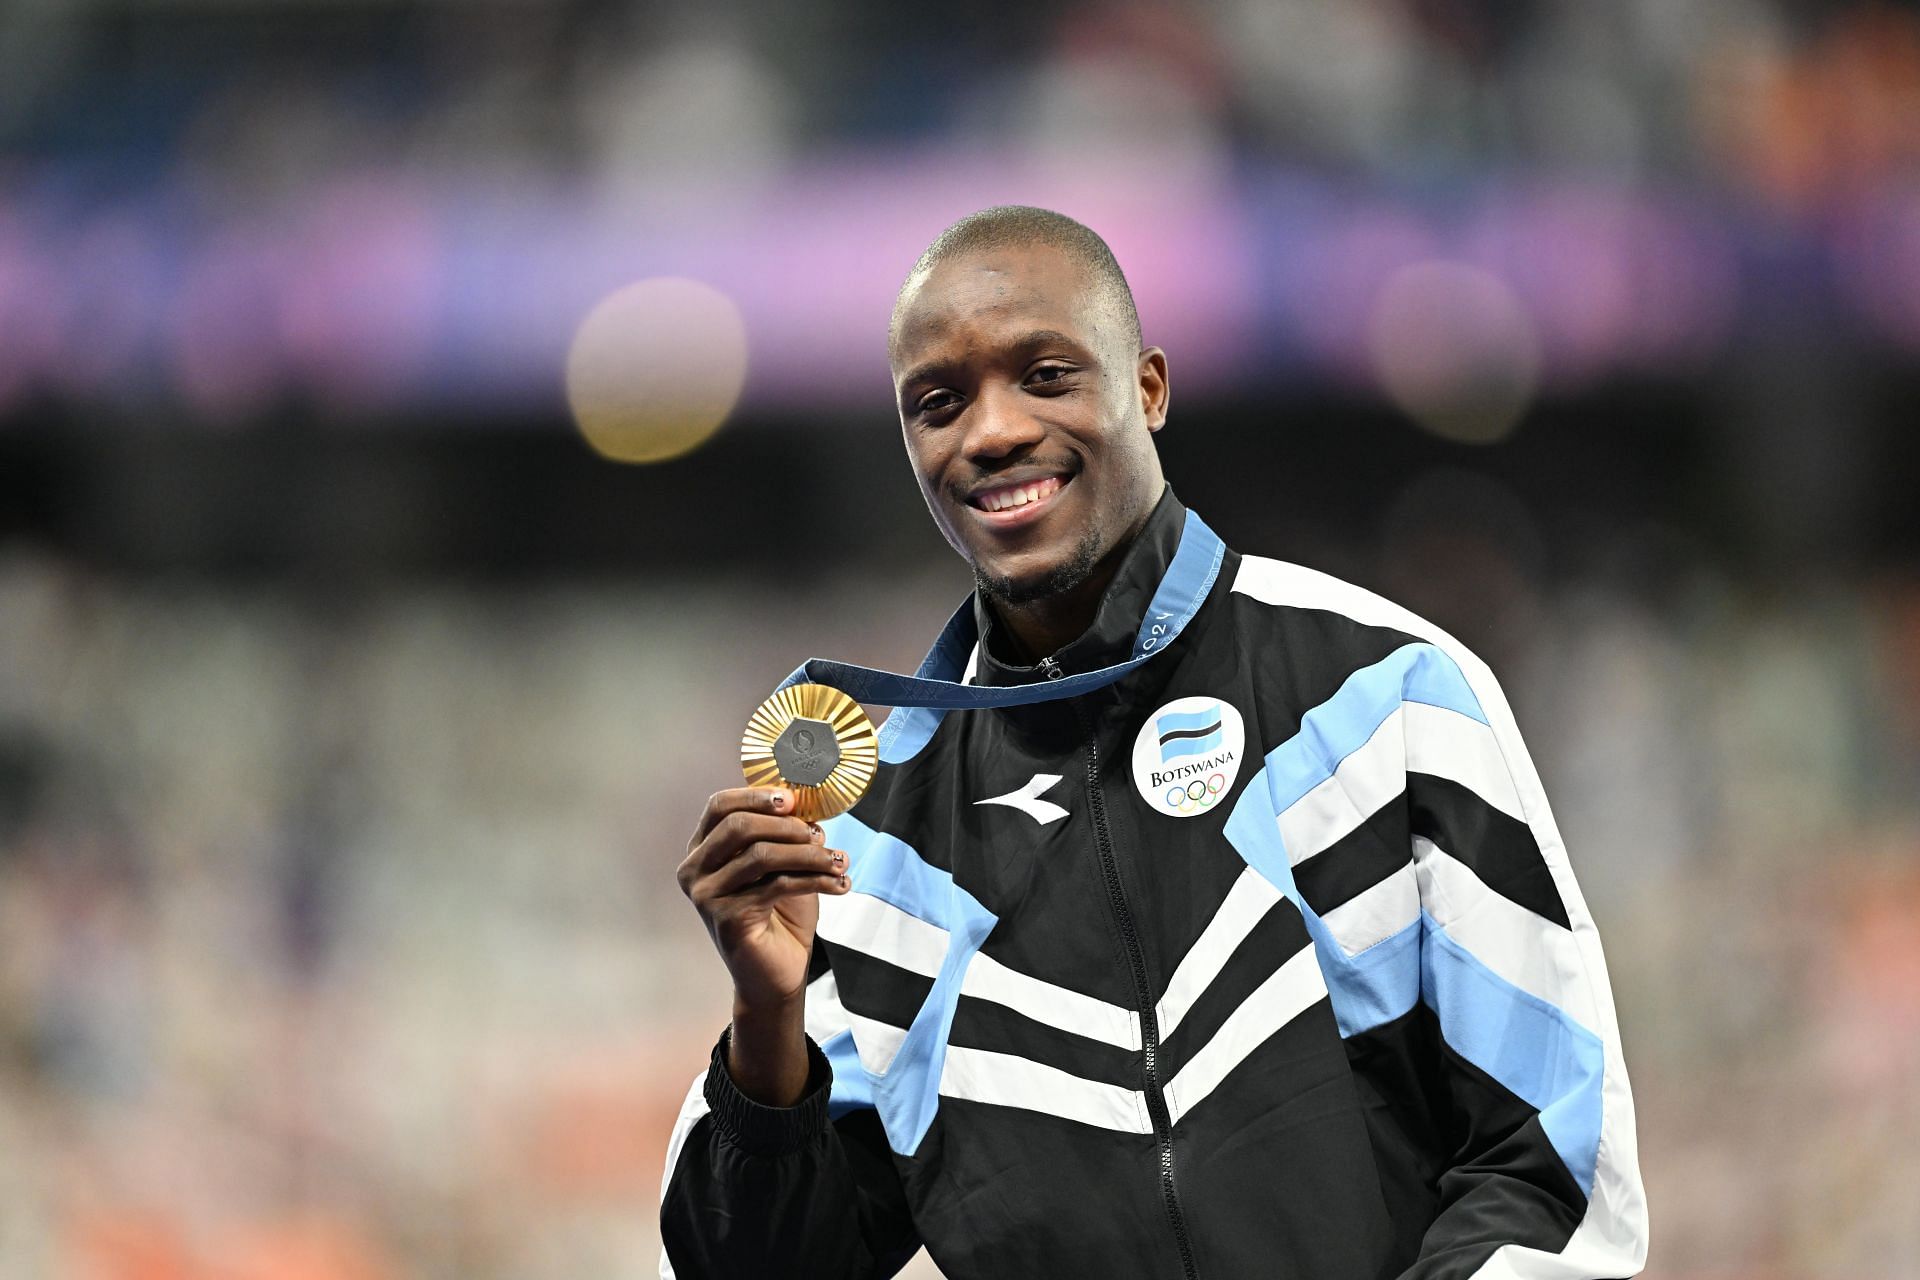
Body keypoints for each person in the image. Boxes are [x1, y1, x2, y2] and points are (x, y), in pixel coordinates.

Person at [659, 206, 1648, 1279]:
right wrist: (767, 1029)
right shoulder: (881, 843)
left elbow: (1545, 1165)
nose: (989, 431)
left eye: (1044, 374)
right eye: (938, 402)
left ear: (1148, 387)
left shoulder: (1384, 695)